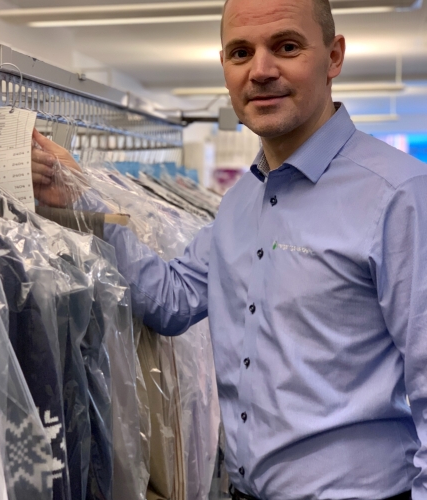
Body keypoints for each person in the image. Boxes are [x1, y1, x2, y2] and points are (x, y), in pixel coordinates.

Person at [31, 0, 427, 498]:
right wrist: (80, 198)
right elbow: (170, 300)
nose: (260, 71)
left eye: (286, 46)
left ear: (333, 57)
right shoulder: (242, 201)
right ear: (224, 67)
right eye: (241, 53)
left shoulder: (400, 195)